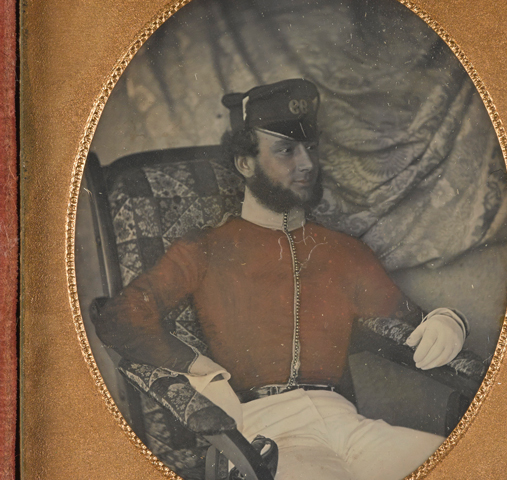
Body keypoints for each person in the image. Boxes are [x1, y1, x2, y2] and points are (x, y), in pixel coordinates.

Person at [94, 79, 470, 480]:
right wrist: (197, 366)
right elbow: (118, 318)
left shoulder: (343, 250)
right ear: (245, 163)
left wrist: (450, 322)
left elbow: (411, 320)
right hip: (265, 434)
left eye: (311, 149)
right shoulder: (207, 248)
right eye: (286, 150)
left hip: (349, 425)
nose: (306, 163)